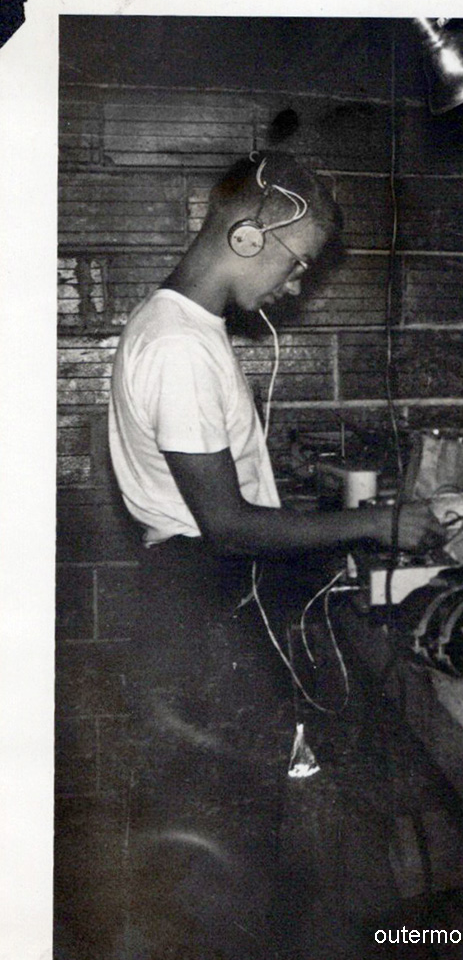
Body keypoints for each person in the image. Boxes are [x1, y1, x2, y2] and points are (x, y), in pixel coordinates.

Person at [108, 148, 443, 746]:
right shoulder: (178, 346)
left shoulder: (185, 327)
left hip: (203, 591)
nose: (294, 286)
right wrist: (378, 522)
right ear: (247, 237)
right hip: (202, 599)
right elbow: (228, 527)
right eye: (297, 264)